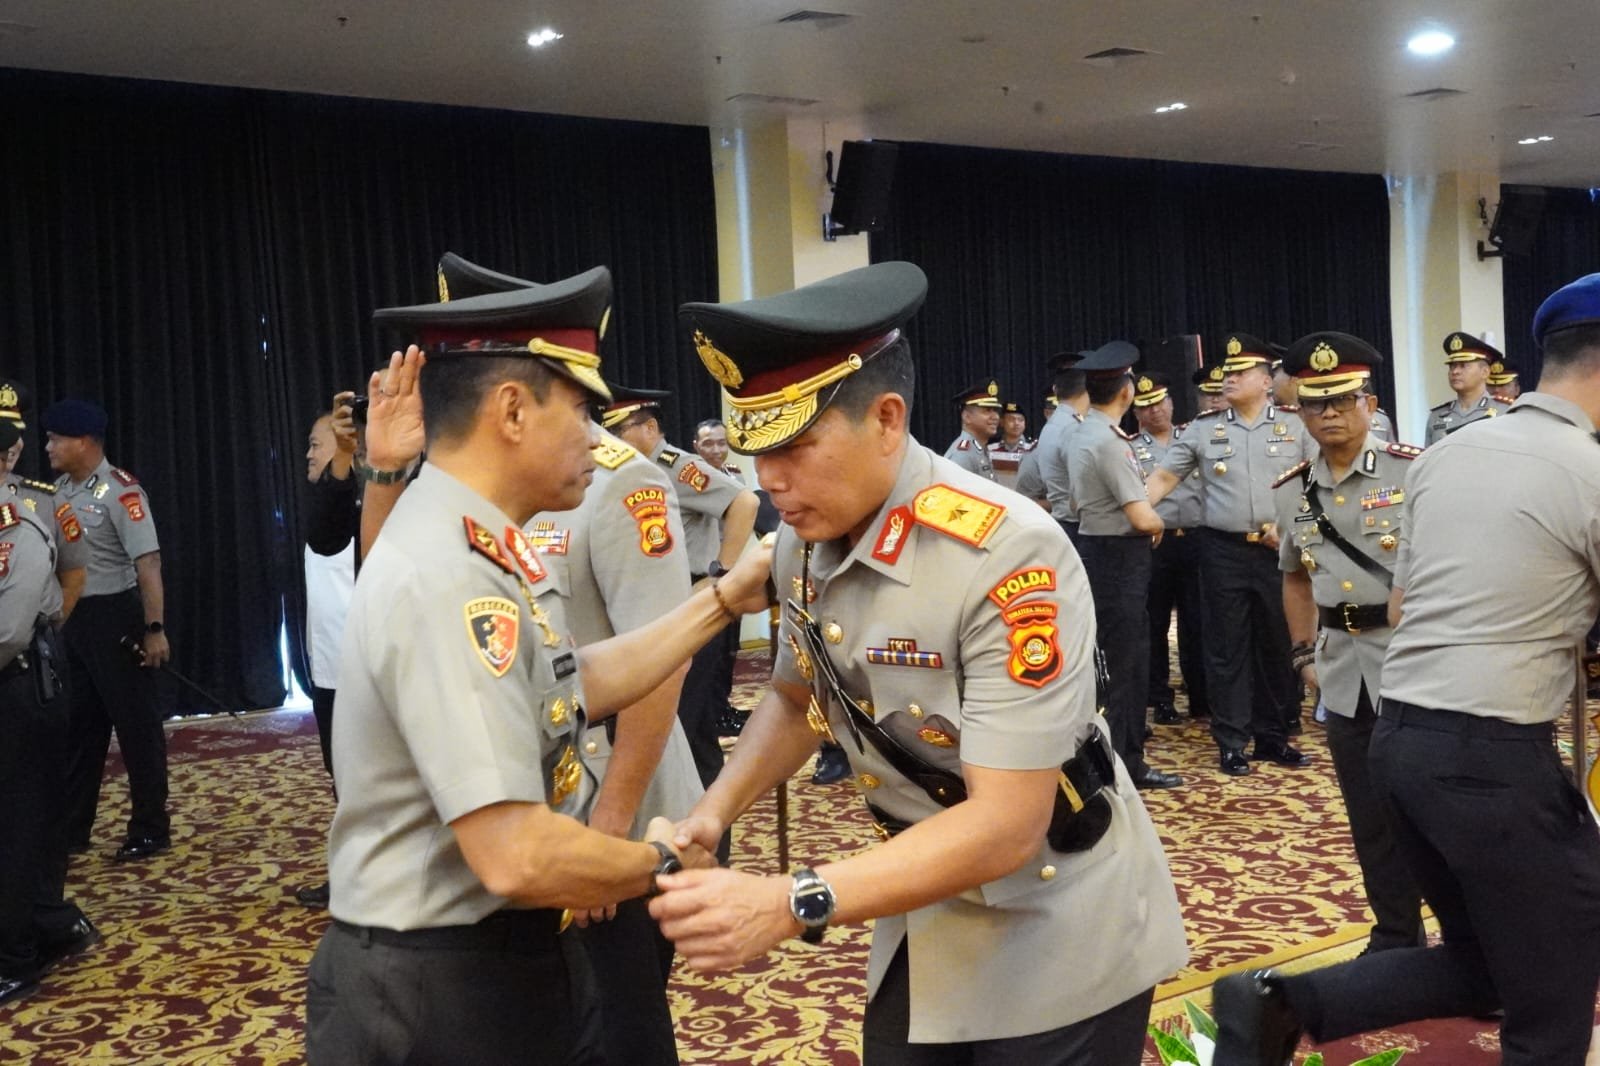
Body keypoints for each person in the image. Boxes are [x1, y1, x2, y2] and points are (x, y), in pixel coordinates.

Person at [652, 262, 1187, 1065]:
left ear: (887, 419)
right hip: (924, 898)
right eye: (755, 450)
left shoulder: (1006, 552)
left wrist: (791, 903)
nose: (768, 480)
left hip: (1056, 917)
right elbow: (799, 698)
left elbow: (1007, 826)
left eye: (794, 445)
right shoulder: (803, 537)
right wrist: (713, 811)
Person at [305, 267, 773, 1064]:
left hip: (490, 956)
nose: (597, 435)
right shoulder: (449, 572)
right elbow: (516, 853)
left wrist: (722, 600)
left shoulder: (476, 535)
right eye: (583, 409)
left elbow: (568, 683)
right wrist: (662, 861)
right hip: (441, 985)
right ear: (513, 411)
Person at [1212, 273, 1600, 1066]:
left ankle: (1284, 1003)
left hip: (1403, 742)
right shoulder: (1587, 469)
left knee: (1491, 959)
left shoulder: (1448, 458)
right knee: (1557, 979)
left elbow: (1401, 605)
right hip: (1492, 757)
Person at [1270, 332, 1424, 957]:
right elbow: (1294, 576)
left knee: (1435, 812)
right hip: (1343, 673)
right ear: (1300, 413)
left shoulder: (1414, 471)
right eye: (1315, 404)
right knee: (1370, 817)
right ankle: (1396, 940)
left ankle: (1472, 945)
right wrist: (1302, 652)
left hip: (1414, 666)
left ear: (1370, 404)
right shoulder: (1292, 489)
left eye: (1342, 400)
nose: (1329, 414)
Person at [1146, 334, 1307, 776]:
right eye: (1227, 372)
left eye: (1240, 372)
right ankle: (1232, 741)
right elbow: (1163, 478)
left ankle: (1273, 737)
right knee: (1225, 648)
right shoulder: (1203, 429)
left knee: (1277, 644)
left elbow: (1317, 483)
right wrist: (1135, 512)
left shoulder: (1296, 426)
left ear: (1266, 380)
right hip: (1222, 550)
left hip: (1279, 552)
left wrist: (1291, 525)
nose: (1228, 378)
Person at [604, 385, 759, 804]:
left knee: (682, 730)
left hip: (689, 605)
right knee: (694, 732)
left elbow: (744, 503)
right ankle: (707, 824)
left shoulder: (674, 466)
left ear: (649, 427)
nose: (612, 440)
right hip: (665, 608)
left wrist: (719, 573)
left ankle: (690, 823)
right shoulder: (629, 472)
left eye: (620, 430)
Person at [0, 418, 100, 1008]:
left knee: (18, 826)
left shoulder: (18, 520)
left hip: (18, 685)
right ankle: (52, 925)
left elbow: (10, 630)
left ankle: (14, 959)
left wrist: (49, 628)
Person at [44, 399, 171, 862]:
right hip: (74, 620)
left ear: (83, 442)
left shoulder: (122, 492)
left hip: (116, 616)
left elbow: (148, 563)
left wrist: (154, 628)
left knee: (136, 727)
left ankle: (150, 828)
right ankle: (74, 829)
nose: (48, 446)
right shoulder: (58, 491)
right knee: (81, 729)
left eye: (56, 439)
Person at [1066, 344, 1181, 790]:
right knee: (1125, 670)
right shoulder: (1110, 441)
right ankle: (1123, 766)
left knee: (1108, 664)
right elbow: (1141, 516)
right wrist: (1159, 524)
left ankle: (1105, 761)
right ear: (1126, 392)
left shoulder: (1084, 432)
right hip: (1119, 558)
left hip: (1097, 552)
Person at [1131, 372, 1209, 725]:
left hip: (1195, 539)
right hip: (1155, 544)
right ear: (1137, 412)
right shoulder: (1131, 448)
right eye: (1146, 406)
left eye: (1160, 402)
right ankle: (1160, 697)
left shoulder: (1193, 438)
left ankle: (1202, 695)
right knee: (1156, 622)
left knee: (1198, 621)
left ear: (1172, 403)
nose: (1155, 410)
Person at [1, 380, 88, 622]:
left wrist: (46, 627)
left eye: (17, 433)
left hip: (23, 641)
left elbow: (74, 574)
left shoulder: (47, 501)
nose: (12, 444)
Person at [1034, 352, 1090, 538]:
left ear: (1056, 390)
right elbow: (1083, 487)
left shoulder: (1054, 424)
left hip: (1064, 523)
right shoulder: (1074, 428)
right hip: (1078, 526)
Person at [1422, 331, 1512, 445]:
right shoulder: (1437, 417)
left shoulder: (1505, 412)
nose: (1455, 371)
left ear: (1485, 372)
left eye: (1463, 365)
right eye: (1452, 366)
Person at [941, 379, 1001, 480]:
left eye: (995, 410)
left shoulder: (978, 449)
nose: (995, 417)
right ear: (967, 417)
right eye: (987, 411)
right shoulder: (962, 455)